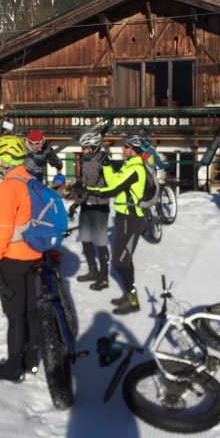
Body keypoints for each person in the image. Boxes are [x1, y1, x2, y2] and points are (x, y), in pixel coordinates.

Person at [0, 135, 43, 382]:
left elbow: (1, 230)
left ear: (4, 160)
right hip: (33, 254)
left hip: (13, 259)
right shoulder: (31, 180)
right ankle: (31, 361)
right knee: (30, 309)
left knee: (15, 314)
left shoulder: (8, 187)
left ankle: (13, 369)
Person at [76, 134, 147, 314]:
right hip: (123, 218)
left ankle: (132, 299)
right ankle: (129, 294)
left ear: (134, 149)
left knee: (120, 262)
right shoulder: (128, 166)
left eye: (125, 146)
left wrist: (88, 190)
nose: (122, 149)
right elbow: (114, 181)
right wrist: (107, 166)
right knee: (124, 259)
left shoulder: (135, 169)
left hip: (132, 219)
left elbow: (112, 190)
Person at [68, 132, 110, 291]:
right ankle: (93, 270)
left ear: (93, 147)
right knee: (86, 239)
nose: (82, 150)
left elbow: (92, 185)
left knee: (100, 241)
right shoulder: (86, 162)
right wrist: (77, 203)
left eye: (85, 148)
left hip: (99, 206)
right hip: (86, 205)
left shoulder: (102, 162)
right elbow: (84, 188)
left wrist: (80, 191)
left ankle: (103, 276)